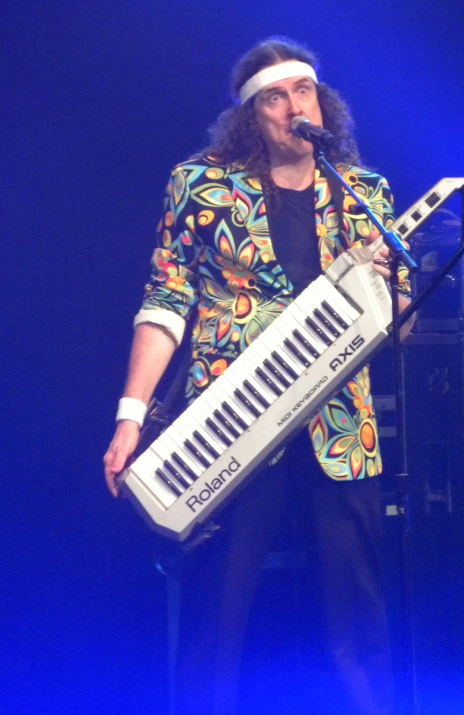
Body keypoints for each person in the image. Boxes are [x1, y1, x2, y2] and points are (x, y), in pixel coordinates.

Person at [103, 37, 414, 715]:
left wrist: (395, 294)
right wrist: (132, 413)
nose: (293, 106)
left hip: (339, 425)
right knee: (218, 616)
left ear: (321, 103)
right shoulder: (204, 186)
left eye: (304, 91)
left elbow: (400, 322)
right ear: (252, 114)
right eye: (276, 96)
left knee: (358, 616)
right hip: (231, 423)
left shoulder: (364, 193)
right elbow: (166, 299)